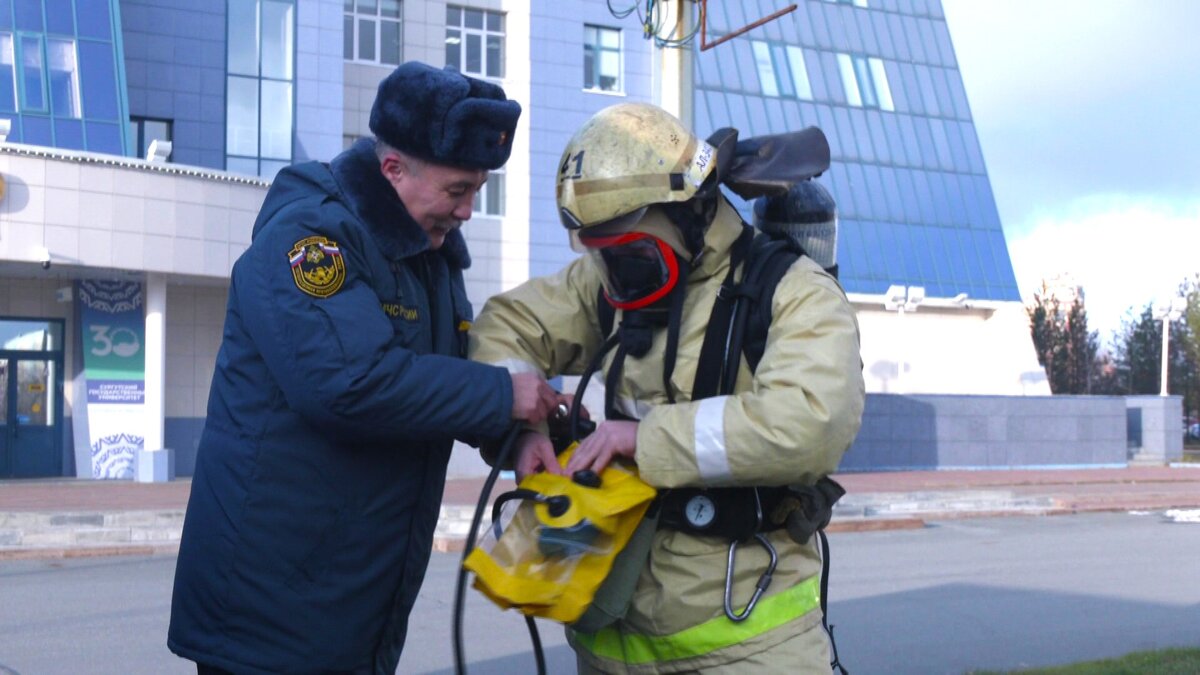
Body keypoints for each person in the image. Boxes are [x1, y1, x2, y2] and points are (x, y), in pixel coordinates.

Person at [168, 61, 559, 674]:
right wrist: (503, 396)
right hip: (271, 615)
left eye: (477, 190)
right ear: (393, 169)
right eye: (458, 190)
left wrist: (514, 438)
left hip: (348, 602)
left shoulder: (429, 258)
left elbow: (437, 377)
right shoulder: (311, 237)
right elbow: (349, 384)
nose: (467, 211)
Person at [468, 102, 865, 673]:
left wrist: (644, 440)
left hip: (748, 641)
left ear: (687, 214)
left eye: (629, 253)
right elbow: (503, 327)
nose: (614, 277)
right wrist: (524, 427)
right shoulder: (609, 279)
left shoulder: (791, 291)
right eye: (600, 254)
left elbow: (812, 421)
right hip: (609, 639)